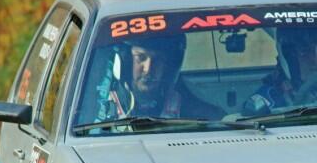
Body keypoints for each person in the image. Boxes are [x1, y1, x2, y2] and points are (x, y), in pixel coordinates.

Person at [94, 34, 222, 122]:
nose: (148, 69)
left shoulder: (193, 110)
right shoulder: (99, 105)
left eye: (158, 60)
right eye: (141, 58)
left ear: (168, 66)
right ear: (126, 61)